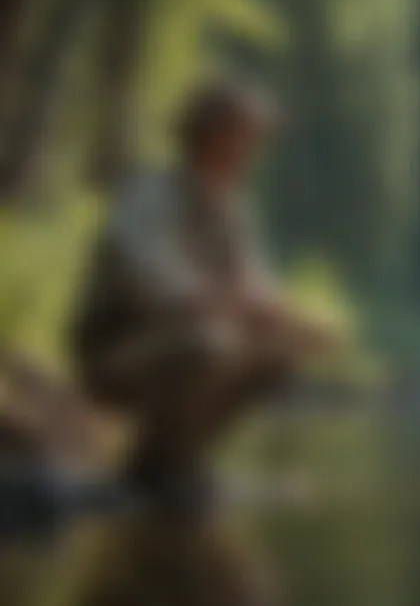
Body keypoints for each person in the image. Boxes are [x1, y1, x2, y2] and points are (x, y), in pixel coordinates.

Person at [71, 79, 337, 499]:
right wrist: (232, 304)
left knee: (276, 354)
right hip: (112, 356)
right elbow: (157, 283)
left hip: (183, 346)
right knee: (206, 343)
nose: (253, 151)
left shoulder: (234, 210)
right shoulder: (148, 194)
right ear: (209, 135)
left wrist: (297, 327)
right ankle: (153, 472)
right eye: (246, 137)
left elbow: (257, 289)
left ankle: (173, 460)